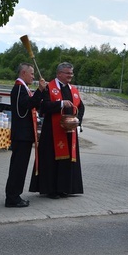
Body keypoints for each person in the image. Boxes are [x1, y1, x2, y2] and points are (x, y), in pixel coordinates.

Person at [29, 62, 84, 199]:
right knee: (51, 161)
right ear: (59, 73)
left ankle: (65, 188)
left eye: (71, 73)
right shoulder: (49, 88)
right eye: (67, 73)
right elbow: (44, 107)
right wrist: (61, 103)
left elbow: (81, 107)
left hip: (69, 131)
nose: (70, 75)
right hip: (52, 131)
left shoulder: (73, 90)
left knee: (67, 161)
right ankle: (51, 189)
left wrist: (77, 121)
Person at [5, 63, 46, 208]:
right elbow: (28, 104)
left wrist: (40, 93)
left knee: (20, 167)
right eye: (32, 73)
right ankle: (12, 197)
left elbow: (32, 103)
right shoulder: (19, 88)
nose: (33, 76)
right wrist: (40, 91)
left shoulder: (23, 88)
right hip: (22, 135)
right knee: (18, 167)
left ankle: (14, 195)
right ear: (23, 73)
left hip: (24, 136)